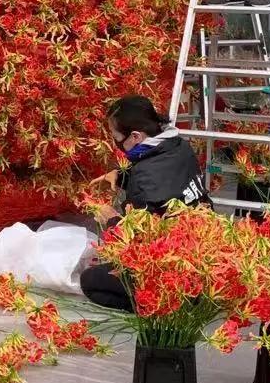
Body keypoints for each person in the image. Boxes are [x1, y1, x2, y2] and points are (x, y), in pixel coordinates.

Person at [79, 95, 209, 311]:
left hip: (170, 269)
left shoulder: (143, 179)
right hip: (202, 255)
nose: (115, 143)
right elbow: (167, 181)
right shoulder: (180, 146)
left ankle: (162, 307)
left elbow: (138, 241)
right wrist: (121, 177)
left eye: (116, 137)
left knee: (90, 280)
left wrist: (110, 219)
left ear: (136, 136)